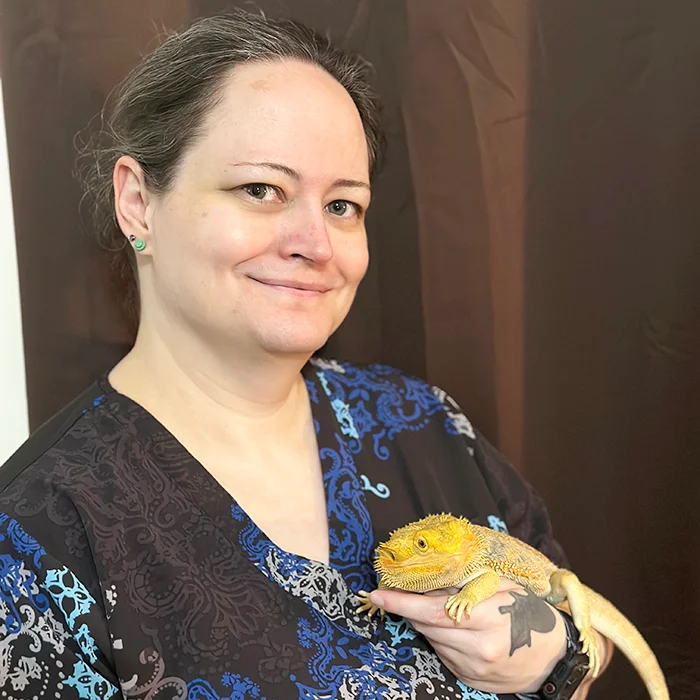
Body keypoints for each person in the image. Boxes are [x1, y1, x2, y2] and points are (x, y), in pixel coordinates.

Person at [0, 10, 612, 700]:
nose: (315, 244)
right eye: (261, 190)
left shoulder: (421, 423)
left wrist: (547, 656)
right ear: (139, 202)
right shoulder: (36, 534)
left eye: (344, 206)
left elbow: (582, 638)